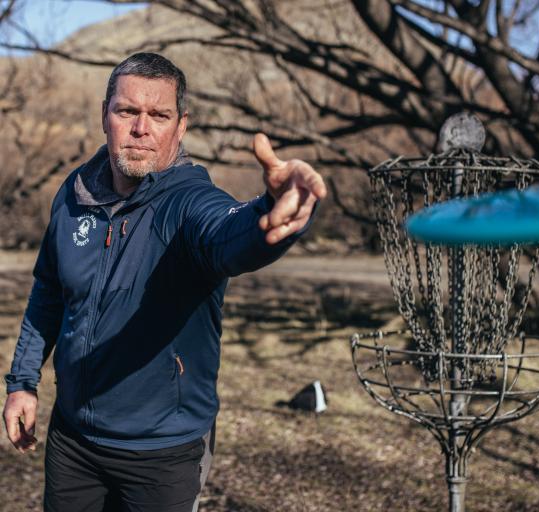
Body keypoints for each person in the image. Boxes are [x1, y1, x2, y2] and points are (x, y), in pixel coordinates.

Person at [2, 52, 326, 511]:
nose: (141, 128)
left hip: (163, 453)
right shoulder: (75, 193)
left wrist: (268, 215)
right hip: (72, 441)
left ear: (181, 125)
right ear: (104, 115)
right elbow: (49, 289)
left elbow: (227, 233)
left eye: (159, 115)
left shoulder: (188, 203)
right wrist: (22, 381)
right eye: (127, 111)